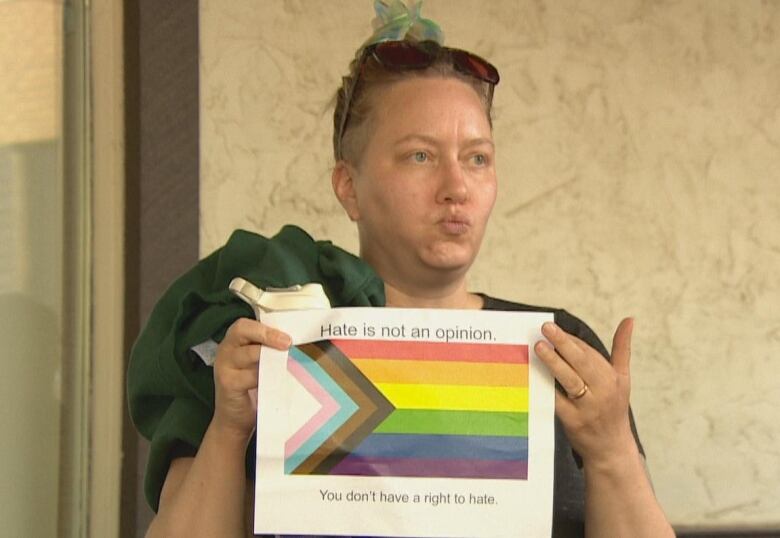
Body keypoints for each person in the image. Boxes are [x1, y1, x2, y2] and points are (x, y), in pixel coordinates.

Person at [138, 2, 675, 536]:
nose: (456, 187)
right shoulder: (275, 348)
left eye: (477, 158)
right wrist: (231, 428)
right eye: (420, 156)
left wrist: (611, 452)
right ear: (349, 187)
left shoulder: (560, 350)